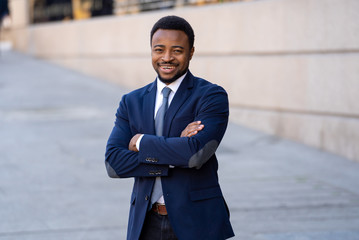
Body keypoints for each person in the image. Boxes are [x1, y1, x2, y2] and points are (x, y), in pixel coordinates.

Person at [105, 15, 234, 240]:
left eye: (176, 50)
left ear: (191, 52)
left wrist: (142, 142)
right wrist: (176, 151)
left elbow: (195, 155)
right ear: (151, 51)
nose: (167, 57)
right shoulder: (131, 101)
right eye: (159, 49)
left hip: (198, 222)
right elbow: (114, 163)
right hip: (145, 223)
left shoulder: (211, 96)